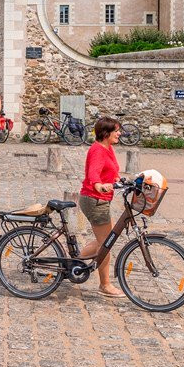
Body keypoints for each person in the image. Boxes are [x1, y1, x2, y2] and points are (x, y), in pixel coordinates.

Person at [77, 117, 123, 298]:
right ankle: (105, 285)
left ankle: (74, 263)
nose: (119, 133)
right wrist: (99, 185)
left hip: (102, 199)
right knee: (106, 244)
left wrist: (120, 180)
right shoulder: (97, 150)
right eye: (116, 131)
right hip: (94, 199)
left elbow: (112, 171)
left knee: (105, 239)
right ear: (106, 133)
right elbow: (93, 173)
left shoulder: (108, 148)